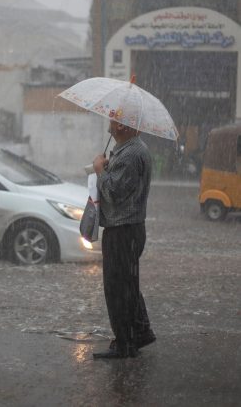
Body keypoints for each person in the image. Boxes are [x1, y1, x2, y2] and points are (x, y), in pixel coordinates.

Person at [91, 120, 156, 359]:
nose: (109, 122)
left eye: (113, 119)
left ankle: (125, 344)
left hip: (123, 230)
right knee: (128, 285)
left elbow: (114, 192)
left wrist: (99, 170)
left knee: (118, 288)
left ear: (123, 127)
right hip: (128, 229)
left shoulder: (131, 154)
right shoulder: (131, 149)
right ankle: (139, 332)